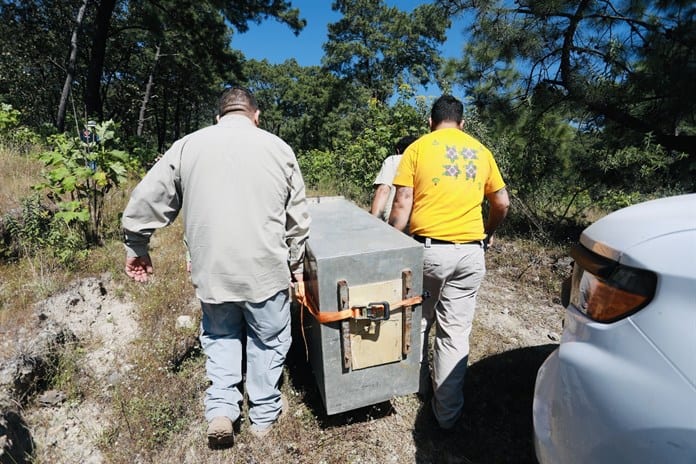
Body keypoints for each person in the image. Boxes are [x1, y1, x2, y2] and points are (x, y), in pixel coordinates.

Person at [121, 86, 310, 448]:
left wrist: (136, 245)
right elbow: (297, 221)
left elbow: (147, 198)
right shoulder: (279, 148)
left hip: (212, 271)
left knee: (221, 334)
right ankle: (264, 414)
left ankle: (222, 407)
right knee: (267, 339)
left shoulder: (188, 146)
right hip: (265, 270)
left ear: (218, 117)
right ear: (256, 116)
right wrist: (296, 265)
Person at [389, 94, 509, 430]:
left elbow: (401, 204)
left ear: (430, 122)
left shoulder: (418, 148)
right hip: (470, 254)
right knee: (454, 333)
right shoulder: (481, 151)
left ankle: (418, 386)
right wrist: (487, 232)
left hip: (430, 253)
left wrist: (390, 243)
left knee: (419, 320)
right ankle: (447, 415)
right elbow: (502, 202)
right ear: (462, 122)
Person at [370, 135, 418, 221]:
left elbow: (383, 190)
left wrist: (374, 221)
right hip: (417, 226)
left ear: (398, 150)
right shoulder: (423, 164)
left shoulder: (393, 160)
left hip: (393, 223)